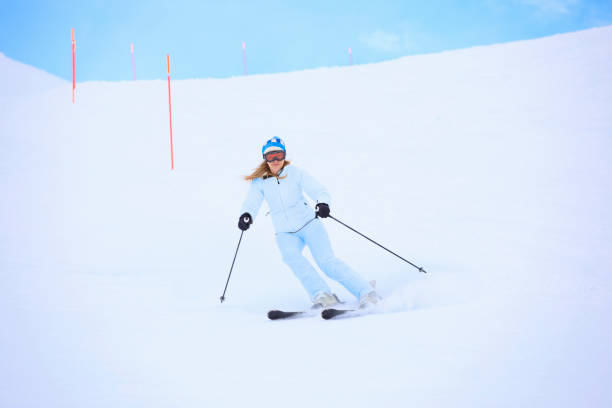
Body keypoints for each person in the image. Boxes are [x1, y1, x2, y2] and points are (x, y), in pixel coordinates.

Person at [238, 136, 379, 309]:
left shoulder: (296, 173)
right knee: (291, 257)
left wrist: (322, 203)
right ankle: (322, 295)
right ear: (265, 159)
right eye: (270, 157)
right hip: (285, 232)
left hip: (309, 224)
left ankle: (366, 292)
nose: (275, 160)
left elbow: (319, 190)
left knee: (326, 262)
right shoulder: (260, 182)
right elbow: (251, 202)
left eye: (278, 155)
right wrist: (246, 215)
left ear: (284, 156)